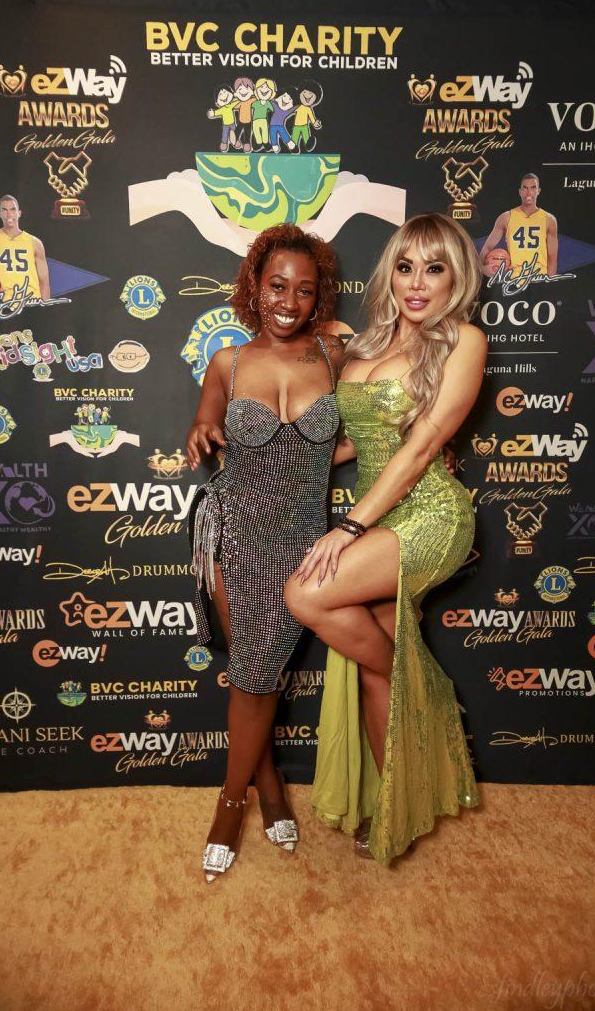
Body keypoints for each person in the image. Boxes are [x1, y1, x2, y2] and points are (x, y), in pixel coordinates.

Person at [284, 212, 486, 865]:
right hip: (381, 511)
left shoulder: (463, 341)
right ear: (389, 274)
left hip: (428, 514)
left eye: (434, 268)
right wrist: (276, 459)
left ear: (456, 278)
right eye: (405, 267)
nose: (417, 283)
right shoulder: (365, 346)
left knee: (306, 593)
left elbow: (422, 448)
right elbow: (356, 443)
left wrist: (349, 526)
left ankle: (426, 692)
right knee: (376, 669)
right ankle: (391, 807)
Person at [186, 223, 344, 881]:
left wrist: (423, 445)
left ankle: (266, 779)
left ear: (318, 296)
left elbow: (359, 433)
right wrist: (202, 429)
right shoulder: (228, 362)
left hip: (305, 541)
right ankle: (236, 803)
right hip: (236, 532)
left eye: (304, 290)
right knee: (253, 674)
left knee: (260, 675)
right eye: (277, 285)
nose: (289, 301)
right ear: (255, 285)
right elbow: (206, 422)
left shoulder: (336, 357)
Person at [0, 195, 50, 303]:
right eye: (4, 210)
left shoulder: (35, 243)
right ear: (0, 213)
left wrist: (45, 307)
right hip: (5, 303)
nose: (9, 214)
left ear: (19, 213)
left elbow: (44, 281)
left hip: (32, 301)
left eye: (13, 209)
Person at [479, 172, 558, 276]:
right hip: (514, 279)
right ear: (520, 192)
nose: (528, 192)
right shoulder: (506, 217)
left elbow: (552, 257)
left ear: (538, 191)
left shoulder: (549, 219)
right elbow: (487, 247)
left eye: (533, 188)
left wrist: (549, 283)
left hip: (539, 277)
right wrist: (481, 268)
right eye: (525, 188)